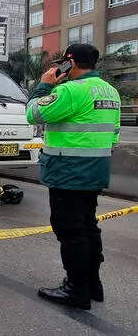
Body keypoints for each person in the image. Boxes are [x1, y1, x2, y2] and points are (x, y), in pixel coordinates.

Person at [26, 44, 121, 310]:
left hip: (68, 171)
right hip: (95, 169)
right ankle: (93, 284)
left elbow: (33, 113)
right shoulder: (109, 91)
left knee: (70, 231)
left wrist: (44, 85)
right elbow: (113, 132)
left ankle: (76, 290)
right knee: (88, 226)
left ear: (70, 62)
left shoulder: (69, 90)